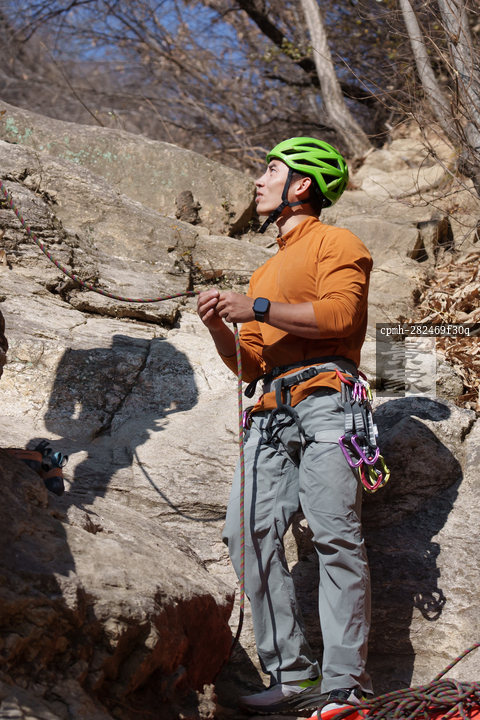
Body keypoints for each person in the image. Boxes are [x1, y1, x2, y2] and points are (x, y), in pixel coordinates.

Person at [197, 137, 373, 716]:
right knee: (244, 532)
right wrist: (220, 325)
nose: (259, 179)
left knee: (334, 533)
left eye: (270, 169)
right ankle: (294, 674)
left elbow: (341, 316)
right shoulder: (265, 269)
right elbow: (250, 363)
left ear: (301, 185)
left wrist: (258, 308)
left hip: (327, 400)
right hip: (271, 411)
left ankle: (345, 684)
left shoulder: (336, 242)